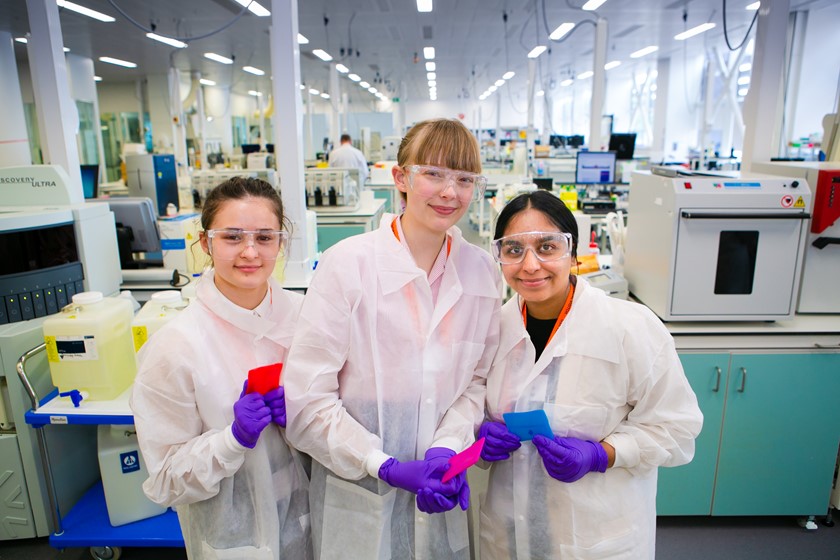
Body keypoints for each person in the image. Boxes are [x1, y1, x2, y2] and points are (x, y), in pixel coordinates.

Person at [285, 118, 502, 559]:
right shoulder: (347, 264)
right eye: (434, 174)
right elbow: (306, 400)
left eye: (464, 179)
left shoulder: (481, 271)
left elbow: (476, 382)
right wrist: (380, 464)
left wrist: (446, 449)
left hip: (442, 496)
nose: (450, 192)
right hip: (357, 494)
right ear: (401, 178)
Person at [478, 190, 703, 559]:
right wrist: (479, 435)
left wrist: (604, 455)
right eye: (514, 250)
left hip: (596, 537)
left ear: (573, 253)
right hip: (509, 533)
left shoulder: (630, 327)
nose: (530, 265)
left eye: (547, 247)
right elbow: (474, 407)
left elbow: (677, 429)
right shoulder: (493, 328)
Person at [130, 177, 311, 560]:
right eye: (232, 237)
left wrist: (303, 419)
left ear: (282, 242)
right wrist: (233, 439)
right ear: (205, 243)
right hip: (236, 535)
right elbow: (166, 480)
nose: (250, 252)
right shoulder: (176, 346)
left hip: (313, 520)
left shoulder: (307, 320)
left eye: (264, 237)